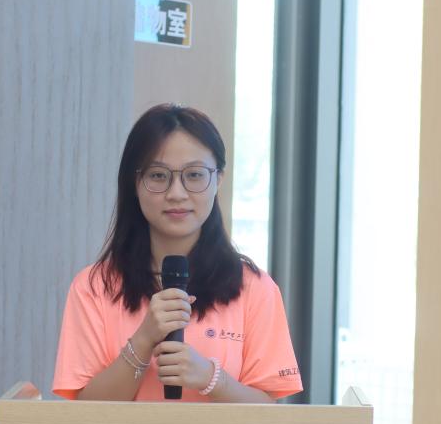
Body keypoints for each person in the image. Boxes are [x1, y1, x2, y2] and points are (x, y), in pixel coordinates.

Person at [52, 103, 302, 402]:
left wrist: (211, 378)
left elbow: (270, 414)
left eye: (194, 175)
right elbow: (83, 413)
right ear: (135, 183)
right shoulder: (93, 288)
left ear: (218, 179)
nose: (177, 193)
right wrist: (143, 340)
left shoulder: (255, 289)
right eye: (158, 176)